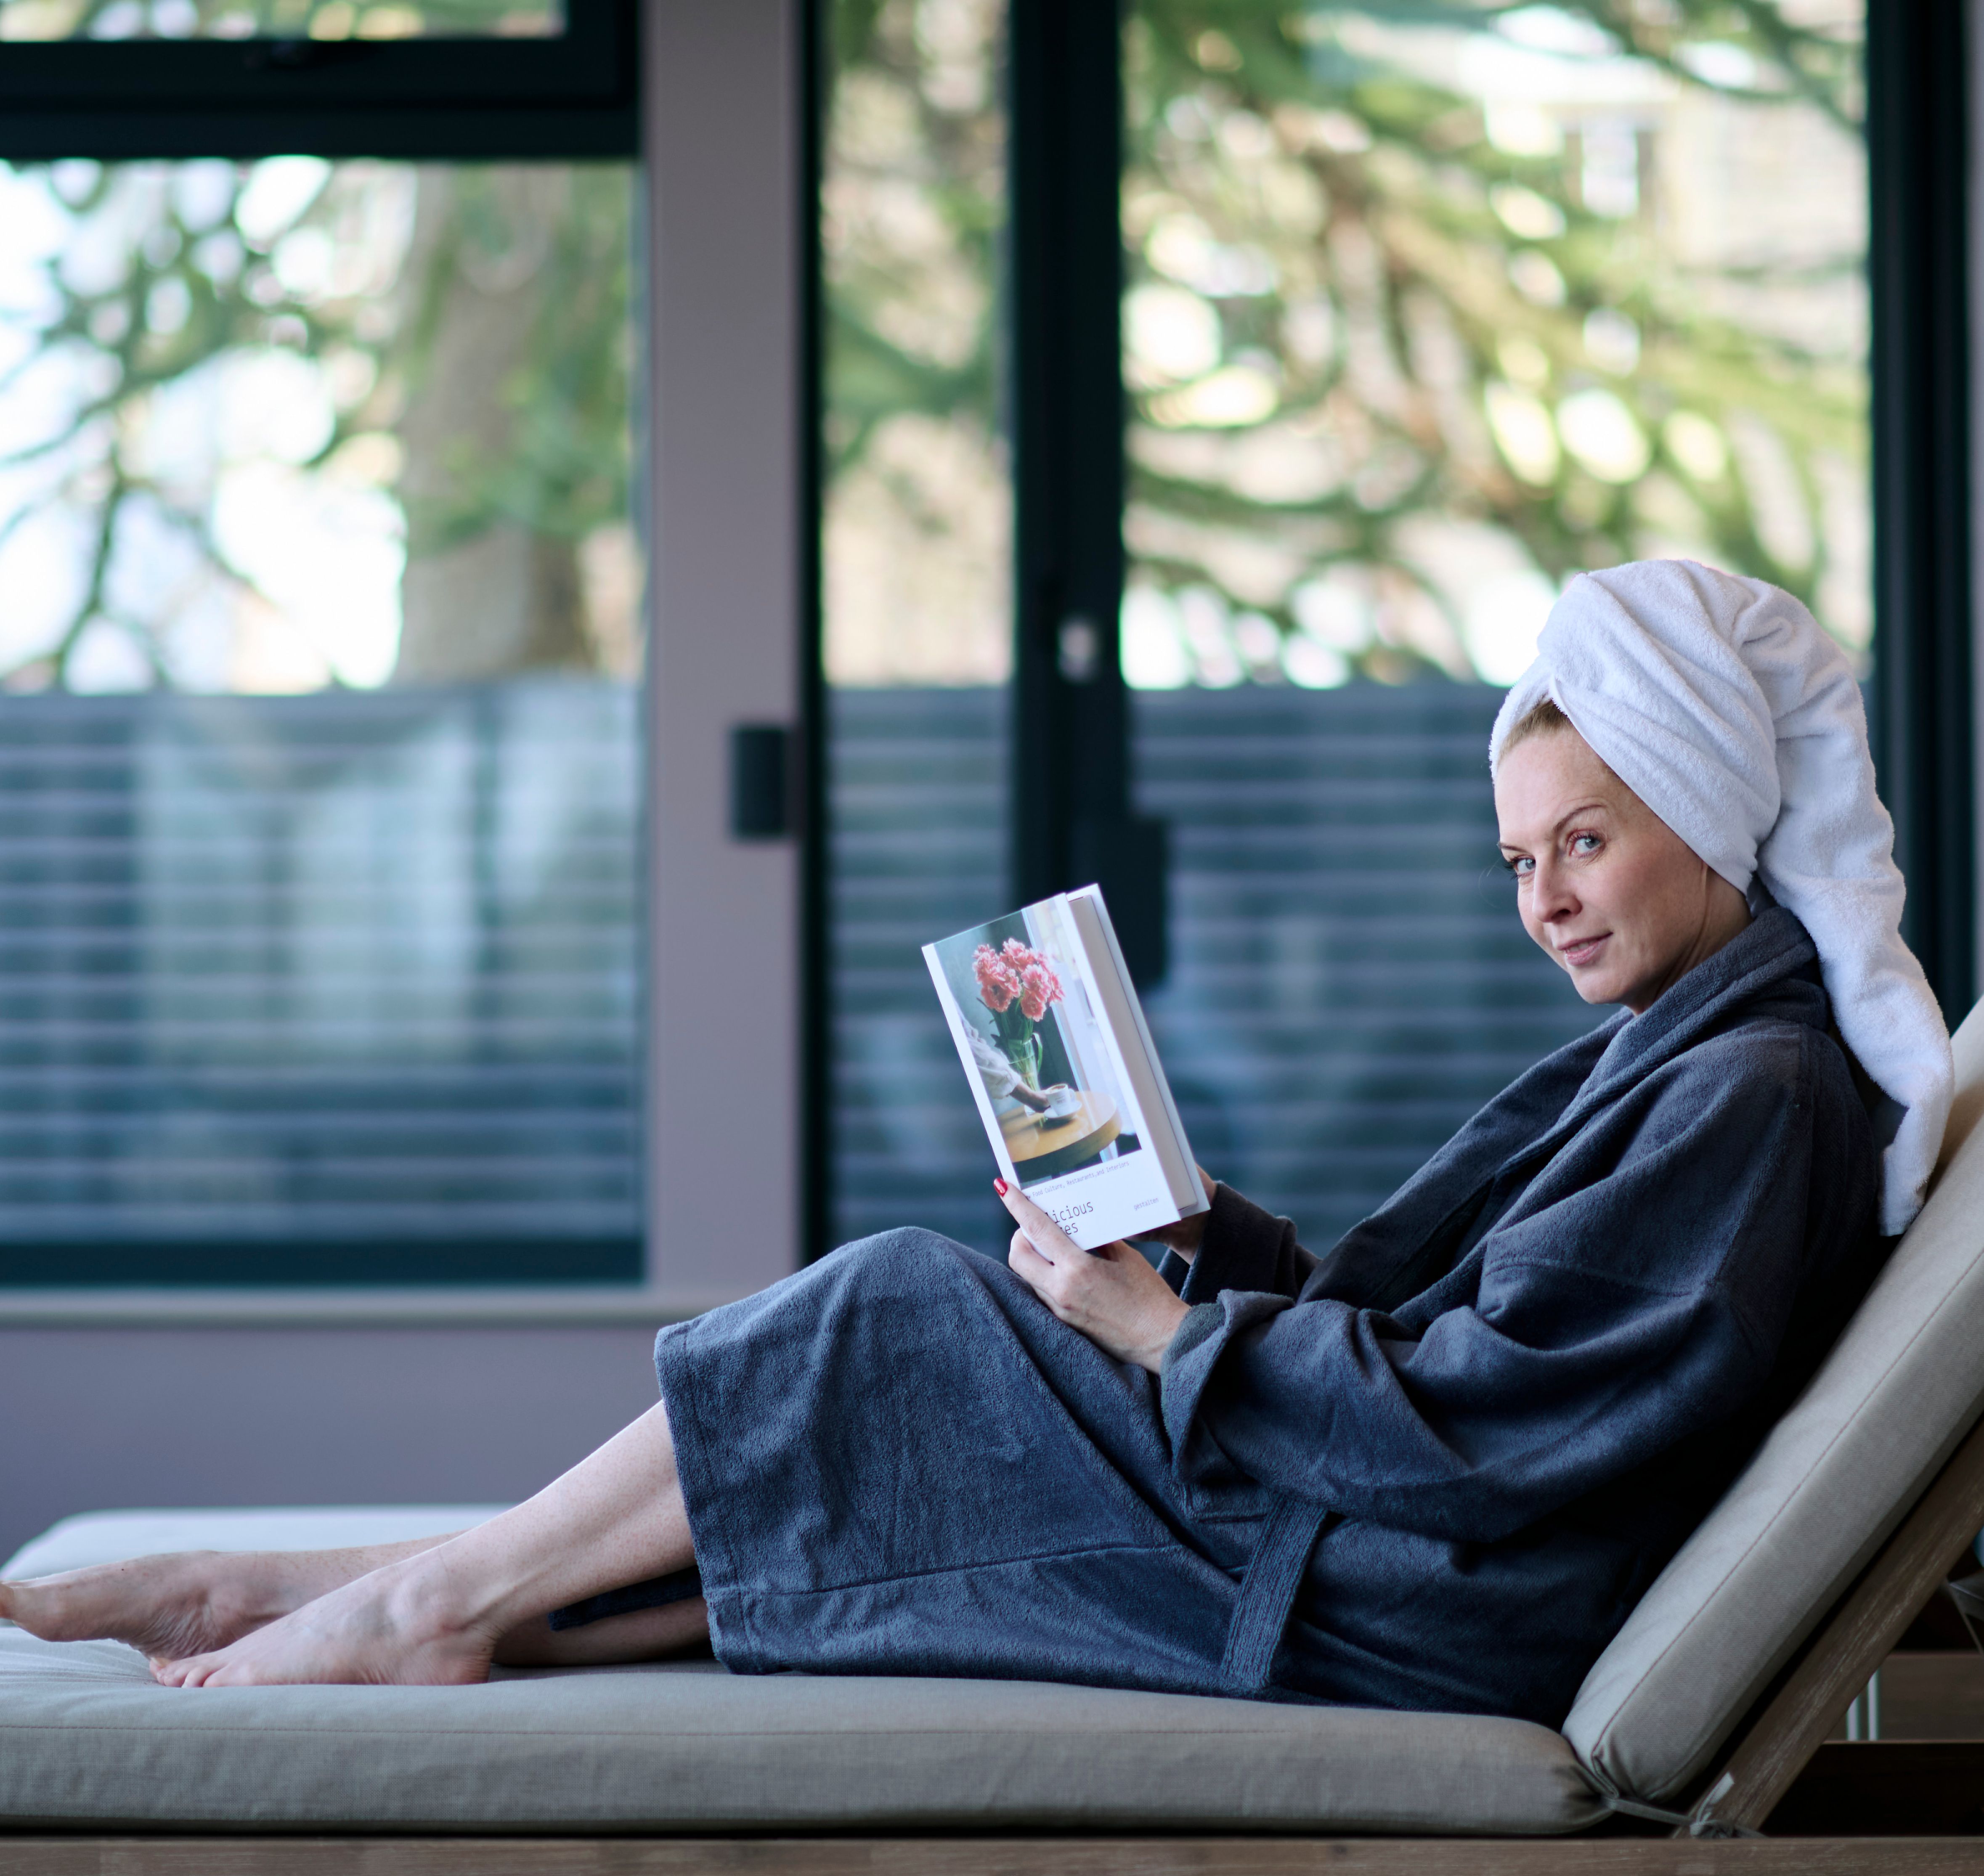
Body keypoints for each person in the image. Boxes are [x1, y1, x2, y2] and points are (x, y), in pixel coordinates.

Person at [1, 561, 1954, 1724]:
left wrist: (1157, 1333)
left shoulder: (1743, 1093)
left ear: (1706, 803)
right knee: (898, 1406)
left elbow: (1498, 1430)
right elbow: (1433, 1318)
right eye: (1521, 858)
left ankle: (417, 1603)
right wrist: (1199, 1231)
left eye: (1586, 840)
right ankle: (355, 1591)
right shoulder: (1687, 1052)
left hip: (1415, 1605)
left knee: (899, 1319)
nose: (1544, 897)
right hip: (1389, 1548)